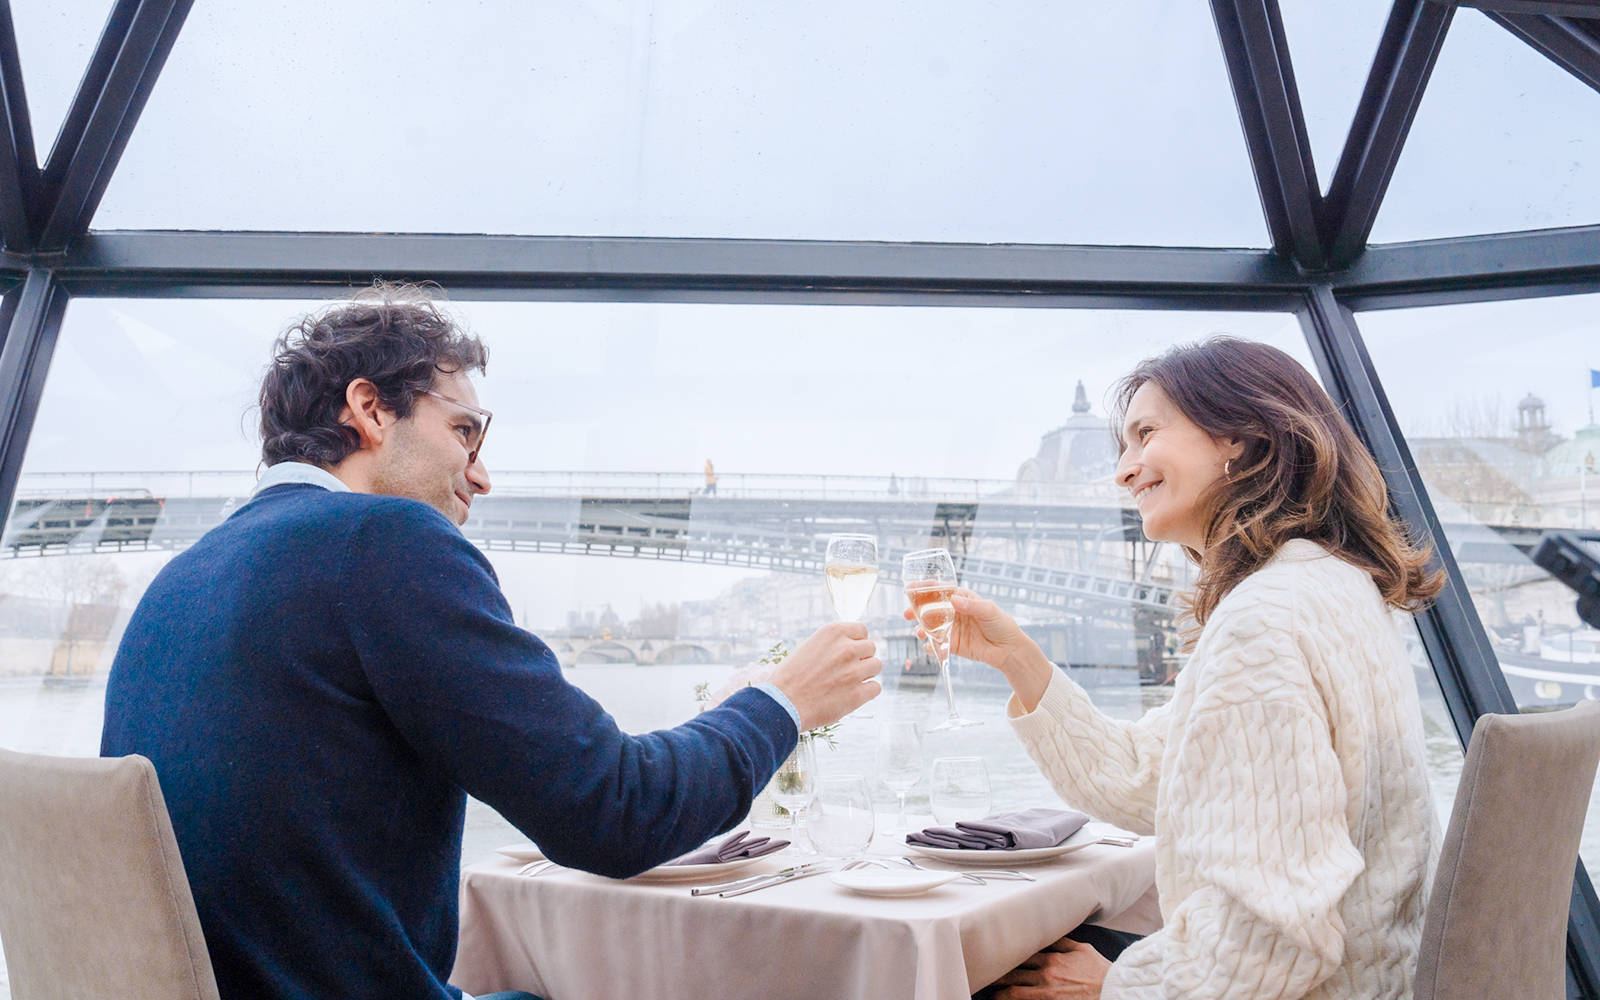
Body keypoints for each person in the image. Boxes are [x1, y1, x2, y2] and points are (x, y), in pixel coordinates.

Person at [100, 285, 882, 1000]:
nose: (481, 476)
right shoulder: (384, 544)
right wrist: (781, 703)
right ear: (370, 410)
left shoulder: (177, 582)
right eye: (464, 432)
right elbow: (615, 812)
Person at [930, 338, 1442, 1000]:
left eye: (1146, 434)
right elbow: (1146, 780)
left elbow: (1268, 943)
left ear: (1243, 437)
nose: (1123, 469)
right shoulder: (1327, 585)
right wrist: (1017, 659)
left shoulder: (1261, 626)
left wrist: (1115, 988)